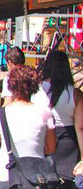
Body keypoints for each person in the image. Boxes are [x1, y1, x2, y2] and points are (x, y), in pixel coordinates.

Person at [0, 65, 56, 188]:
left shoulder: (0, 114)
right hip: (36, 175)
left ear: (10, 86)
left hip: (6, 174)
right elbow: (50, 148)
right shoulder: (45, 113)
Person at [42, 51, 83, 187]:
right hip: (69, 146)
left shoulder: (39, 90)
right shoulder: (75, 94)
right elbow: (80, 127)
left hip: (45, 142)